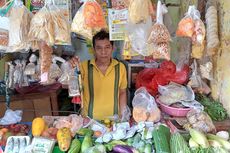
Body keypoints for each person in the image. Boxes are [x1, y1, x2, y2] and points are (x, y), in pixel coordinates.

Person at [70, 30, 128, 120]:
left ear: (113, 48)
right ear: (94, 49)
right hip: (88, 121)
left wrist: (123, 116)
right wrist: (72, 67)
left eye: (107, 47)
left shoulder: (120, 68)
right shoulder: (83, 67)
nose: (103, 52)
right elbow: (72, 85)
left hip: (113, 121)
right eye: (99, 48)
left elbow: (122, 93)